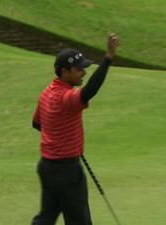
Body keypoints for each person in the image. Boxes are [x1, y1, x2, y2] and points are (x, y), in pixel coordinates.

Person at [31, 33, 119, 225]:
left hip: (47, 167)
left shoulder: (46, 93)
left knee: (45, 218)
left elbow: (37, 124)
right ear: (64, 71)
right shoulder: (65, 98)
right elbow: (89, 91)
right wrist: (108, 59)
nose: (84, 73)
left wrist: (59, 138)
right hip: (66, 170)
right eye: (79, 69)